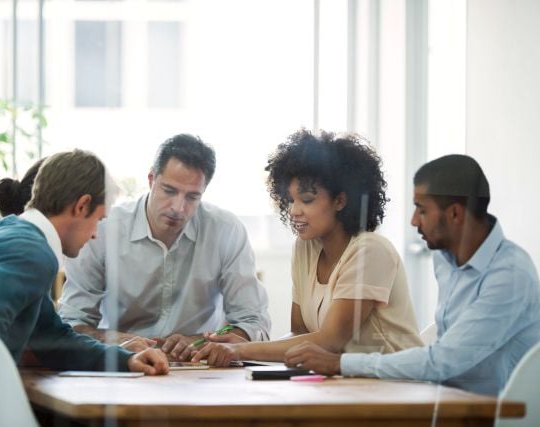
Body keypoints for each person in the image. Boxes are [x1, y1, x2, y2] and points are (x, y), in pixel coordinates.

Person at [0, 149, 169, 426]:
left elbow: (53, 340)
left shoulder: (3, 232)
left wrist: (126, 360)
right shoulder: (32, 252)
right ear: (81, 205)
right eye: (99, 219)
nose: (95, 234)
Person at [283, 154, 540, 396]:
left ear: (455, 214)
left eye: (422, 209)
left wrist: (341, 363)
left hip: (495, 411)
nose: (414, 221)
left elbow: (443, 361)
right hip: (446, 398)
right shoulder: (446, 258)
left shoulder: (510, 274)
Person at [192, 129, 422, 366]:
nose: (293, 211)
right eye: (290, 200)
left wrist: (242, 349)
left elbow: (331, 340)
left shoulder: (371, 251)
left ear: (340, 201)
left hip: (396, 384)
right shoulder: (305, 248)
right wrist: (240, 346)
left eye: (307, 200)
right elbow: (300, 335)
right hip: (344, 384)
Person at [58, 134, 271, 360]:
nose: (178, 207)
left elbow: (253, 322)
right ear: (151, 179)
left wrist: (200, 341)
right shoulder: (103, 229)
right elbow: (73, 323)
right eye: (169, 191)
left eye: (192, 197)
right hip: (122, 363)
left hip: (199, 369)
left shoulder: (225, 230)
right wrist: (117, 341)